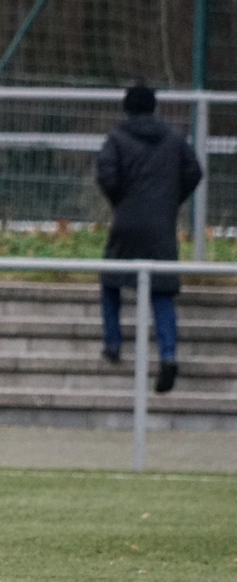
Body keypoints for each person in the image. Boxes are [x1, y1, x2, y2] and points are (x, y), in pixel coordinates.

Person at [96, 83, 203, 393]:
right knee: (162, 291)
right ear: (154, 107)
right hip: (161, 225)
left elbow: (106, 175)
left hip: (126, 222)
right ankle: (168, 355)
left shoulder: (117, 138)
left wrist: (121, 201)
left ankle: (113, 343)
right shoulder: (174, 138)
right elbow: (194, 171)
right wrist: (171, 200)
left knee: (111, 281)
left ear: (126, 107)